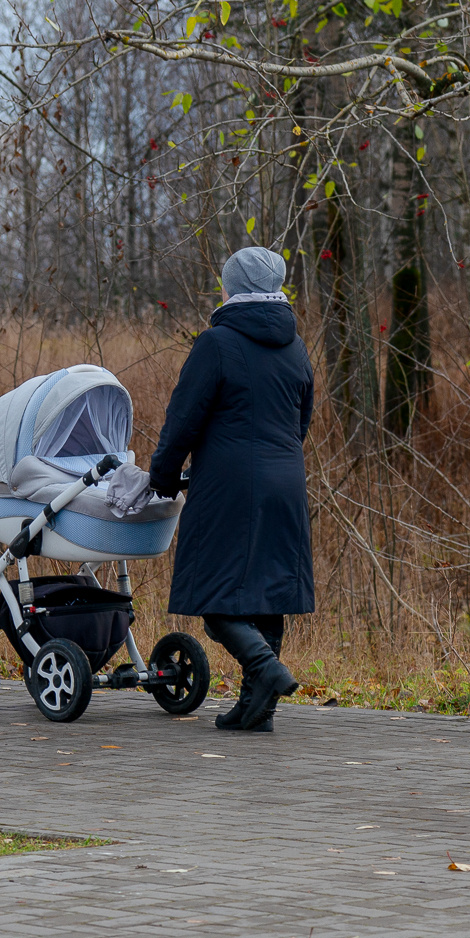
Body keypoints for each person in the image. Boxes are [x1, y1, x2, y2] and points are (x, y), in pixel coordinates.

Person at [149, 246, 314, 732]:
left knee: (214, 599)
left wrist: (162, 474)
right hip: (286, 481)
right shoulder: (295, 347)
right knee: (267, 595)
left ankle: (266, 671)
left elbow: (182, 420)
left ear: (234, 287)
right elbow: (301, 419)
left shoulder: (216, 344)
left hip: (229, 485)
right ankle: (257, 710)